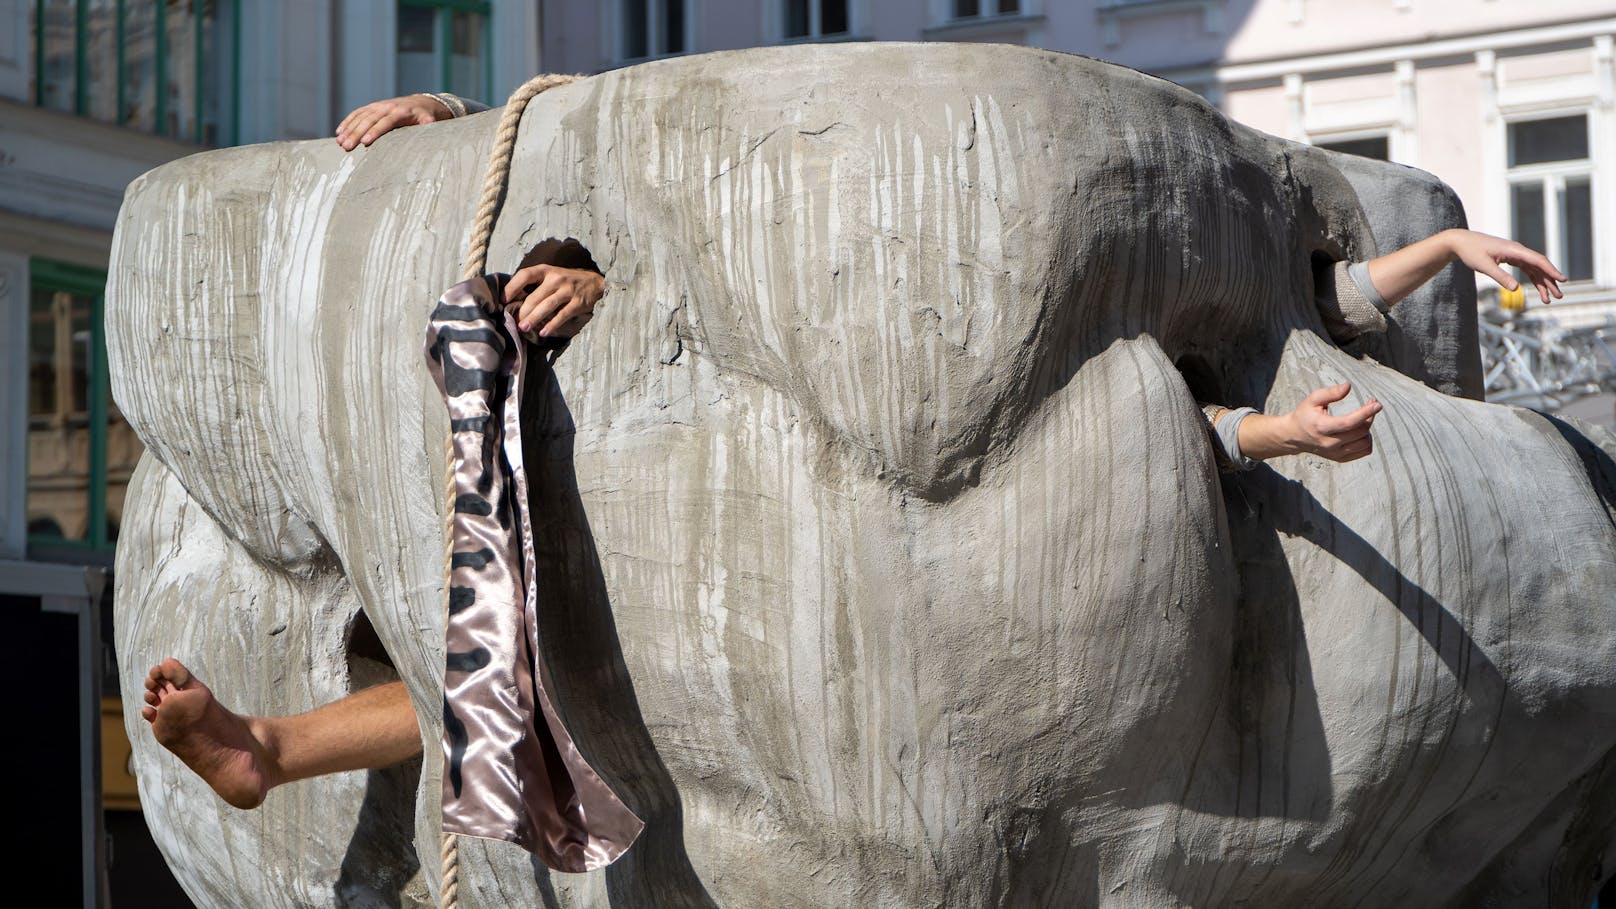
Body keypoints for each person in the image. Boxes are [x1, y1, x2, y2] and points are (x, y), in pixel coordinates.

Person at [141, 95, 1567, 810]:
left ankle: (274, 746)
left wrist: (1327, 378)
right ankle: (270, 745)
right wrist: (456, 140)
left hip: (913, 627)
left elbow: (1230, 387)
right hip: (804, 523)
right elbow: (595, 170)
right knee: (512, 661)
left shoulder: (1177, 359)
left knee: (539, 669)